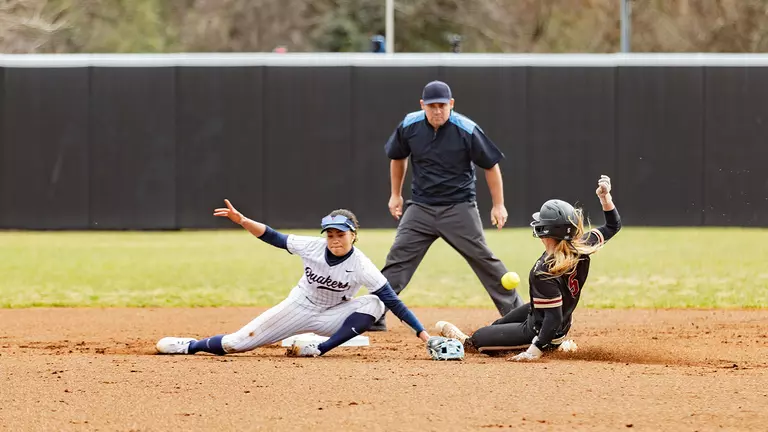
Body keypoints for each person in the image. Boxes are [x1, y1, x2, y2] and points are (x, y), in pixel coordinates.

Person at [155, 199, 432, 357]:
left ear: (353, 235)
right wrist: (243, 221)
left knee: (376, 303)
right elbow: (273, 237)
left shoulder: (362, 265)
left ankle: (320, 349)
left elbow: (393, 301)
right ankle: (190, 345)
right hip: (299, 307)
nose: (335, 239)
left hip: (332, 316)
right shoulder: (311, 246)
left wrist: (424, 335)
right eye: (330, 234)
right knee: (236, 343)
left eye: (341, 234)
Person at [371, 80, 524, 331]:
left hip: (459, 208)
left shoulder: (466, 129)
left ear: (451, 104)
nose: (437, 111)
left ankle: (518, 315)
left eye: (442, 105)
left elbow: (491, 165)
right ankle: (373, 314)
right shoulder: (409, 125)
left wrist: (499, 205)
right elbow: (397, 157)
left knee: (485, 260)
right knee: (397, 261)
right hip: (420, 208)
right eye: (432, 106)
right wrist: (395, 195)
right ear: (423, 105)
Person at [435, 175, 621, 361]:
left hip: (541, 332)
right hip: (556, 322)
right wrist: (605, 199)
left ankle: (468, 342)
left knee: (478, 339)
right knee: (497, 325)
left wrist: (535, 350)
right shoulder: (581, 245)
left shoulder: (543, 271)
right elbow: (613, 225)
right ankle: (551, 343)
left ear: (546, 231)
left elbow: (553, 318)